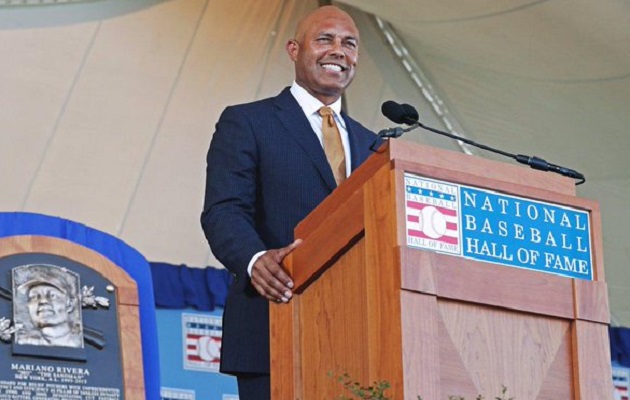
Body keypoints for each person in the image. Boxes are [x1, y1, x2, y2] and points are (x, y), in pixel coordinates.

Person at [201, 5, 381, 399]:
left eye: (349, 44)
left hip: (362, 339)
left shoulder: (376, 147)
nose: (339, 50)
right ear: (294, 50)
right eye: (325, 39)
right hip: (274, 320)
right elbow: (224, 210)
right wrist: (254, 260)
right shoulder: (248, 122)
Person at [16, 278, 83, 348]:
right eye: (34, 297)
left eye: (52, 295)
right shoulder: (23, 342)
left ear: (70, 305)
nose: (43, 301)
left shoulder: (78, 342)